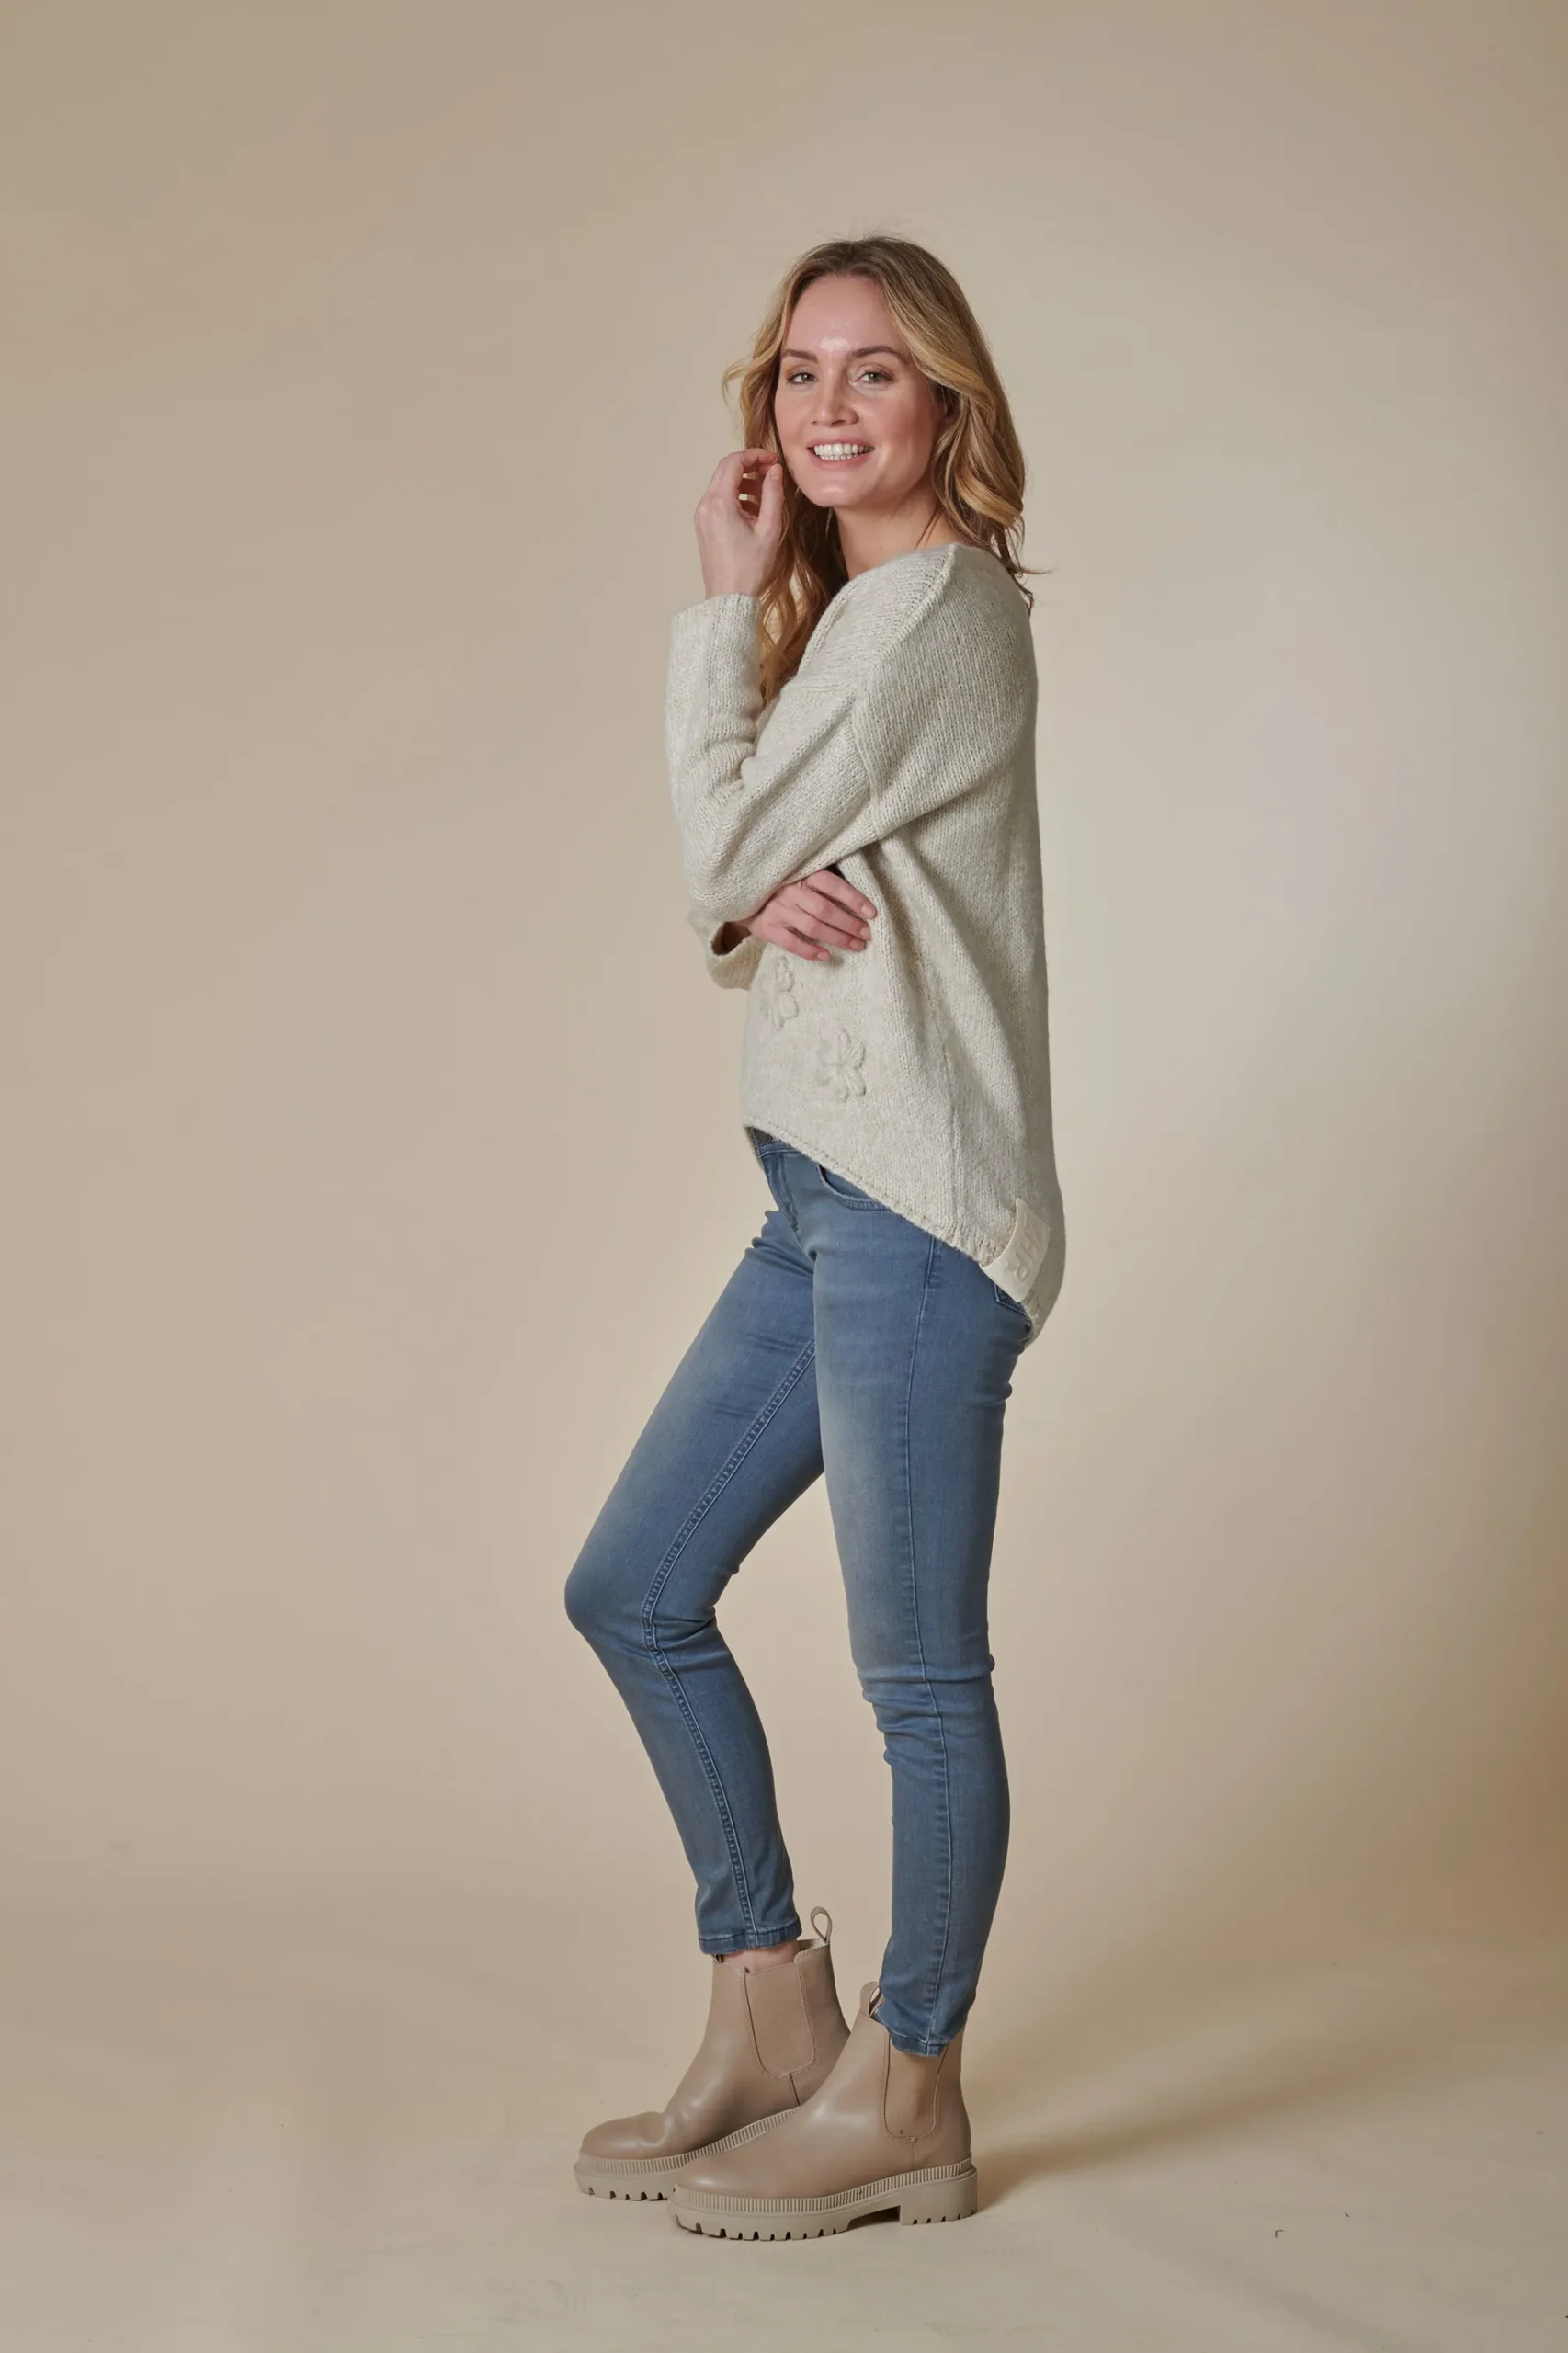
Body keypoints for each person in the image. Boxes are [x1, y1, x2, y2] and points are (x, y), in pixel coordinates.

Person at [563, 233, 1065, 2240]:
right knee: (633, 1586)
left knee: (917, 1676)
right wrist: (747, 889)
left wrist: (717, 608)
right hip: (825, 1192)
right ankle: (773, 2007)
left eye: (874, 371)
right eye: (798, 372)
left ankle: (909, 2087)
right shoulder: (860, 626)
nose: (829, 407)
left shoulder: (928, 611)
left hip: (922, 1212)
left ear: (948, 402)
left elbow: (719, 848)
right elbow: (744, 902)